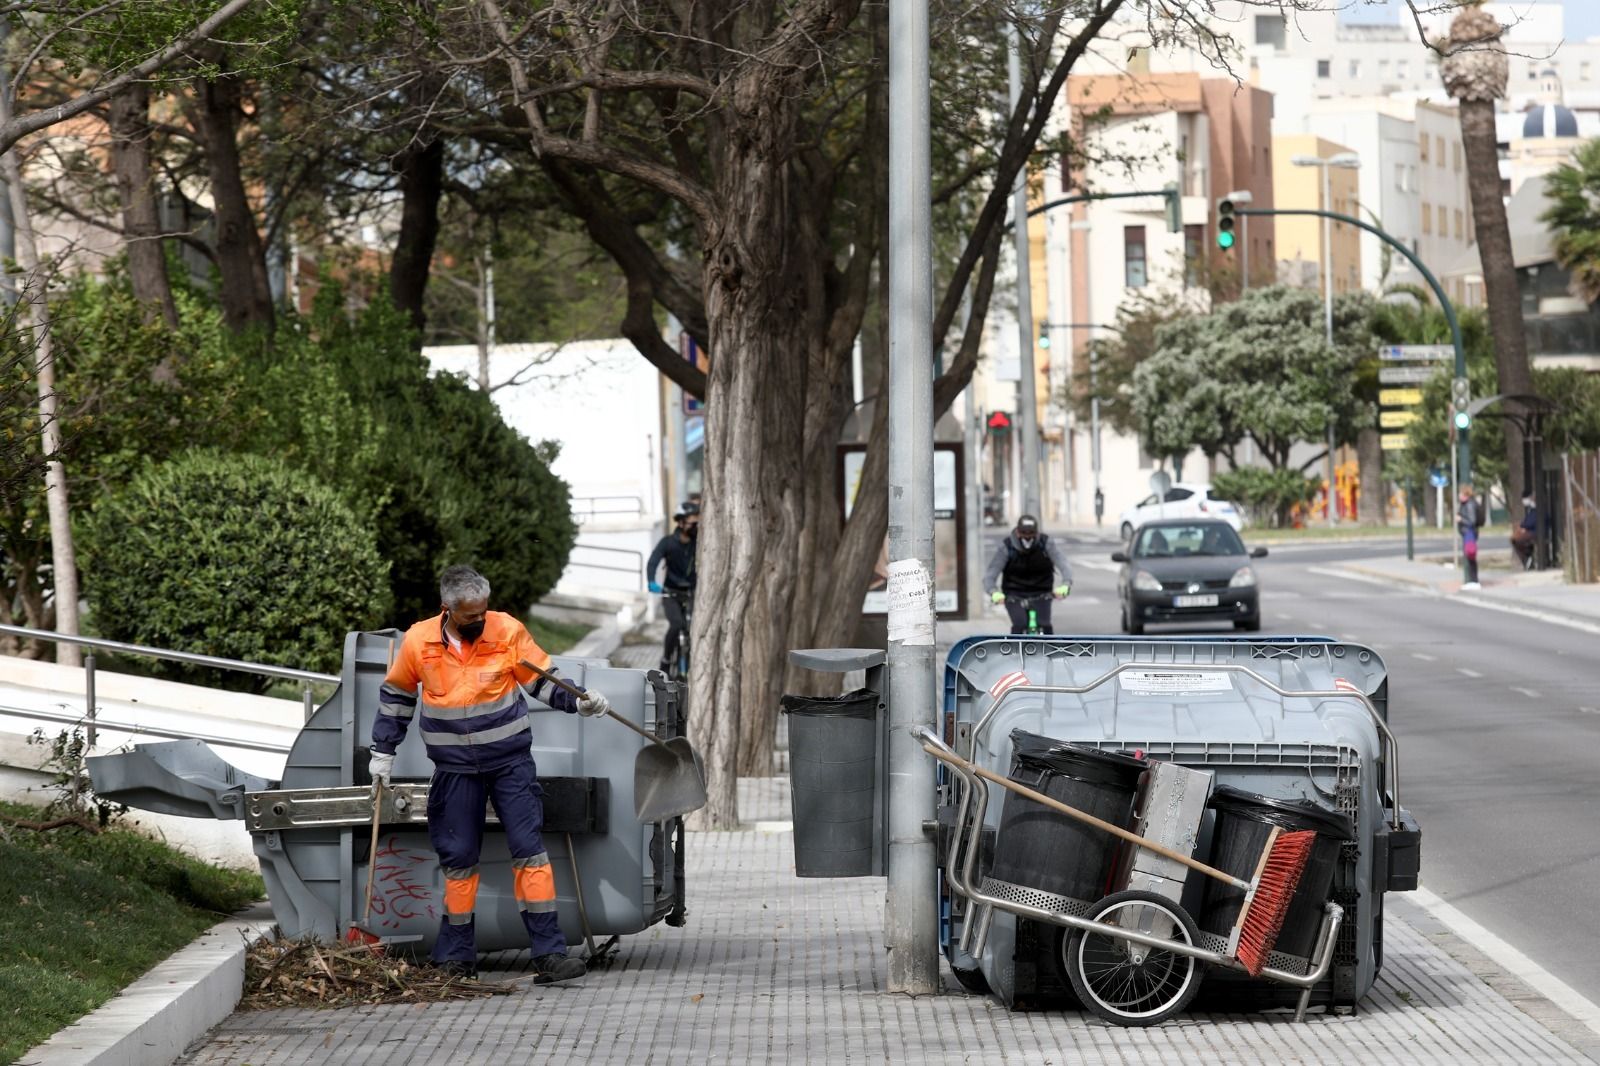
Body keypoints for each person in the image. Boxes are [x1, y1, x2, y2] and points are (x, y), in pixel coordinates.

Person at [367, 565, 611, 983]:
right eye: (470, 615)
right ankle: (456, 958)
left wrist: (578, 702)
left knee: (529, 853)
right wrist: (382, 751)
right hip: (455, 770)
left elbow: (544, 680)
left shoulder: (507, 631)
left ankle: (550, 955)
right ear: (446, 609)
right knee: (458, 861)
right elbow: (397, 697)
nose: (480, 620)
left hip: (510, 764)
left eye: (483, 611)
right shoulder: (418, 641)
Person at [983, 514, 1073, 634]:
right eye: (1024, 533)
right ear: (1018, 532)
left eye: (1031, 533)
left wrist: (1065, 584)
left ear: (1036, 533)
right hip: (1014, 594)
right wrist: (993, 592)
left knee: (1045, 625)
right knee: (1019, 625)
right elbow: (991, 574)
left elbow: (1064, 564)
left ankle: (1048, 650)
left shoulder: (1045, 543)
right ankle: (1016, 652)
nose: (1027, 537)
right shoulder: (1007, 546)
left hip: (1042, 592)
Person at [647, 503, 698, 673]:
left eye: (697, 524)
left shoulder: (699, 542)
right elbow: (653, 561)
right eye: (692, 523)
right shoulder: (668, 542)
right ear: (681, 522)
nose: (695, 527)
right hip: (671, 594)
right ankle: (666, 660)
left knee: (693, 629)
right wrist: (651, 581)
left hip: (691, 593)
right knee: (676, 625)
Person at [1458, 485, 1484, 590]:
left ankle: (1474, 580)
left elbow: (1471, 521)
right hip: (1468, 533)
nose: (1459, 496)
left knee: (1470, 555)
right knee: (1469, 556)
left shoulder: (1469, 505)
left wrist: (1461, 520)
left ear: (1465, 495)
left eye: (1461, 494)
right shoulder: (1466, 504)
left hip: (1469, 533)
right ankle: (1473, 580)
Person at [1512, 492, 1538, 570]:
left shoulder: (1536, 510)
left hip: (1534, 532)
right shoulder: (1532, 510)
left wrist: (1523, 526)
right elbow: (1527, 521)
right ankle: (1527, 557)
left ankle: (1527, 557)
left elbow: (1530, 522)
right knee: (1515, 538)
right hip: (1531, 531)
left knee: (1516, 539)